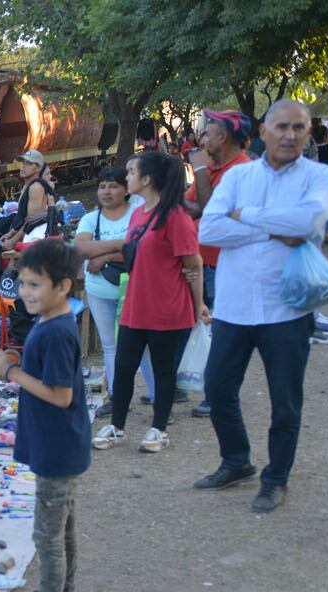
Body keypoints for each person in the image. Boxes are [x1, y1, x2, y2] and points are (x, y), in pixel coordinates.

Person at [195, 98, 328, 513]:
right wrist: (276, 225)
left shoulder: (320, 175)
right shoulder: (239, 178)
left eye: (299, 127)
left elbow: (309, 223)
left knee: (285, 402)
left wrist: (247, 218)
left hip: (288, 310)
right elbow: (210, 227)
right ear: (263, 131)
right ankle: (236, 461)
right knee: (217, 389)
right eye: (281, 127)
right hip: (234, 308)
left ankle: (276, 479)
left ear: (309, 132)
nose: (289, 135)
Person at [0, 240, 90, 592]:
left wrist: (11, 372)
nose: (26, 293)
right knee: (61, 527)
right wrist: (14, 364)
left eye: (34, 285)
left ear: (62, 287)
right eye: (23, 284)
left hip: (57, 446)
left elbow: (59, 395)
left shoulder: (57, 333)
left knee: (47, 532)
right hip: (57, 443)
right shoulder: (50, 323)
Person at [92, 152, 209, 454]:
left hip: (167, 306)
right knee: (124, 365)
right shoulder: (139, 213)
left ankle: (159, 429)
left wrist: (199, 305)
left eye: (131, 172)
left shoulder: (175, 216)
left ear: (146, 179)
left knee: (162, 369)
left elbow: (192, 262)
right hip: (134, 305)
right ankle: (117, 427)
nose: (126, 177)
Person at [183, 109, 253, 418]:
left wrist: (198, 172)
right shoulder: (213, 166)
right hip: (203, 261)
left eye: (207, 133)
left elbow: (210, 210)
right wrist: (201, 201)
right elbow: (189, 205)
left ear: (223, 137)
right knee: (198, 325)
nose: (202, 139)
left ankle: (219, 393)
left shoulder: (242, 170)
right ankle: (195, 384)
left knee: (222, 331)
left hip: (225, 266)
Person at [72, 165, 152, 415]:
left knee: (146, 345)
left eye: (113, 185)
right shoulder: (90, 219)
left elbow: (141, 249)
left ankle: (157, 396)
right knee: (110, 345)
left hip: (137, 289)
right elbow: (82, 249)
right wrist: (120, 247)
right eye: (102, 186)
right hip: (100, 291)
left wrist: (104, 256)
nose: (106, 191)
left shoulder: (139, 214)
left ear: (126, 190)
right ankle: (118, 398)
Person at [0, 150, 56, 249]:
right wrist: (11, 233)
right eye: (23, 163)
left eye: (29, 164)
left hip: (33, 239)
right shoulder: (29, 186)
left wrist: (12, 241)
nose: (23, 166)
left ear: (38, 168)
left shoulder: (36, 187)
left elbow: (31, 222)